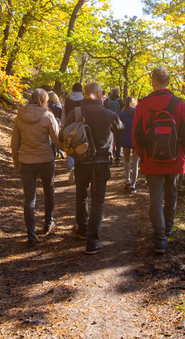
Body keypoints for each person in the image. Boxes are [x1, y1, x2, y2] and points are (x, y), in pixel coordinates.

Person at [133, 67, 185, 254]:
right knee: (171, 193)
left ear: (153, 81)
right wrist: (183, 154)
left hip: (151, 160)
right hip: (174, 159)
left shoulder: (143, 105)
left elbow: (136, 135)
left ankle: (159, 239)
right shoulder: (179, 104)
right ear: (168, 81)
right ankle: (168, 228)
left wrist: (143, 155)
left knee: (156, 198)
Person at [61, 82, 124, 255]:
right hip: (102, 163)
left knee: (81, 195)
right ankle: (93, 240)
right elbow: (120, 129)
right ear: (97, 94)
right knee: (98, 200)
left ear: (85, 94)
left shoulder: (76, 113)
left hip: (82, 161)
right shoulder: (109, 114)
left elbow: (62, 134)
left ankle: (82, 229)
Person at [11, 88, 62, 247]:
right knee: (49, 190)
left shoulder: (20, 116)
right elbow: (57, 140)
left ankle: (31, 235)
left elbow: (14, 142)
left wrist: (16, 161)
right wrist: (71, 150)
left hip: (26, 160)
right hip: (45, 159)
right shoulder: (48, 115)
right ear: (44, 100)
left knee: (29, 199)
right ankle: (48, 222)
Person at [62, 82, 83, 184]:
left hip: (69, 127)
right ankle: (79, 166)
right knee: (80, 147)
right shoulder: (84, 101)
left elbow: (64, 115)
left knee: (69, 147)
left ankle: (71, 167)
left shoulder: (67, 101)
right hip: (81, 128)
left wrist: (63, 127)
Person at [119, 96, 139, 193]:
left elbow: (119, 127)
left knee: (127, 160)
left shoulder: (122, 114)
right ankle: (133, 185)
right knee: (135, 162)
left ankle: (128, 179)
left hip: (126, 139)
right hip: (136, 140)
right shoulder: (139, 114)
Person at [104, 88, 124, 165]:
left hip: (108, 123)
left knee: (110, 141)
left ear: (111, 93)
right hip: (118, 123)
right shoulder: (120, 102)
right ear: (118, 93)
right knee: (119, 141)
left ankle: (110, 156)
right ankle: (118, 159)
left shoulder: (107, 101)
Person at [47, 91, 64, 158]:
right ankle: (59, 151)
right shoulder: (59, 104)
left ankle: (52, 154)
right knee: (57, 138)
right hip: (58, 122)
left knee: (50, 138)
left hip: (49, 121)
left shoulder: (47, 104)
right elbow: (61, 115)